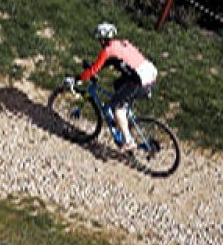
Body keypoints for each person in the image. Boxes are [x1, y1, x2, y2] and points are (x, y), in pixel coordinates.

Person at [66, 22, 158, 151]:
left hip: (139, 81)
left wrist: (76, 79)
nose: (99, 41)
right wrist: (95, 66)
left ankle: (128, 141)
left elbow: (94, 69)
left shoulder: (107, 50)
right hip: (150, 74)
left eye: (99, 39)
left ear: (103, 39)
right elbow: (113, 61)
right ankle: (125, 115)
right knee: (118, 84)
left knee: (116, 107)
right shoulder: (122, 43)